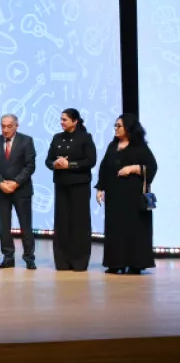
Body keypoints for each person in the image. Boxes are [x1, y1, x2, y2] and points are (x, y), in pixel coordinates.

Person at [96, 114, 158, 275]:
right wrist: (100, 188)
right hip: (114, 196)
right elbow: (104, 167)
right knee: (115, 229)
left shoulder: (139, 147)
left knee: (134, 229)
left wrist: (134, 168)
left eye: (119, 126)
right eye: (115, 125)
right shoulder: (113, 146)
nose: (116, 129)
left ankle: (135, 264)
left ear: (129, 128)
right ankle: (116, 263)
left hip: (133, 197)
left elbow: (152, 167)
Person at [46, 108, 97, 271]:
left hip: (79, 185)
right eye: (61, 119)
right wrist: (55, 164)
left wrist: (70, 164)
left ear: (75, 121)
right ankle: (62, 261)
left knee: (79, 222)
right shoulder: (57, 138)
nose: (61, 122)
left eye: (65, 119)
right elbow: (48, 160)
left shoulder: (85, 137)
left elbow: (91, 160)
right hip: (61, 184)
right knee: (62, 223)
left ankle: (79, 261)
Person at [0, 114, 37, 270]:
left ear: (16, 126)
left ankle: (29, 258)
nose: (5, 129)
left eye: (9, 126)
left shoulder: (26, 141)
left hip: (21, 189)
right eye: (3, 126)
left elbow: (30, 166)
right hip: (1, 190)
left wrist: (16, 182)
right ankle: (8, 257)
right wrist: (1, 183)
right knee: (4, 226)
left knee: (25, 225)